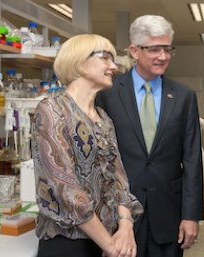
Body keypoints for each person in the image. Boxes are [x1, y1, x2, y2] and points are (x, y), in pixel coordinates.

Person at [96, 15, 204, 257]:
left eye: (167, 49)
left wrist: (191, 215)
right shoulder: (108, 93)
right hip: (118, 213)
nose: (163, 56)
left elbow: (192, 160)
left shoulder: (184, 96)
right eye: (154, 49)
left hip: (169, 213)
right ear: (134, 51)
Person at [32, 34, 143, 257]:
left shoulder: (103, 118)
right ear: (80, 61)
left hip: (107, 239)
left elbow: (120, 180)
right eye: (106, 58)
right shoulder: (52, 110)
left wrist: (126, 226)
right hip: (67, 242)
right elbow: (66, 189)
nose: (114, 66)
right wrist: (110, 246)